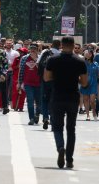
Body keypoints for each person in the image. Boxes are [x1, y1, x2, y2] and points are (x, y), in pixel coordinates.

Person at [44, 35, 88, 169]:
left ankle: (60, 147)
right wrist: (77, 80)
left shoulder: (52, 59)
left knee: (57, 127)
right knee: (71, 129)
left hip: (57, 96)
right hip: (73, 97)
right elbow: (85, 82)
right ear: (74, 45)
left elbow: (46, 78)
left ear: (61, 45)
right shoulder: (80, 61)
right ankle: (69, 159)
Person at [37, 39, 61, 130]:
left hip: (45, 80)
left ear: (51, 45)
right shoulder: (61, 54)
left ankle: (45, 117)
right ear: (60, 45)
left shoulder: (45, 52)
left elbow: (38, 64)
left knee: (44, 100)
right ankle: (52, 119)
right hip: (56, 81)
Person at [17, 43, 41, 125]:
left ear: (37, 50)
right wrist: (19, 83)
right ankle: (31, 118)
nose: (33, 50)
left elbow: (43, 71)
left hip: (39, 83)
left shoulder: (40, 58)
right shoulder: (24, 58)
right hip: (28, 83)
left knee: (39, 102)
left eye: (34, 48)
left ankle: (37, 115)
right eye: (31, 48)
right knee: (30, 101)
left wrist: (35, 61)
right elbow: (21, 71)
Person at [80, 49, 99, 121]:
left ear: (92, 55)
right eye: (86, 54)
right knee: (85, 99)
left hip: (93, 83)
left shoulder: (96, 63)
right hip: (85, 82)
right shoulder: (83, 63)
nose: (87, 55)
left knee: (92, 100)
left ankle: (94, 112)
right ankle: (88, 115)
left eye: (89, 53)